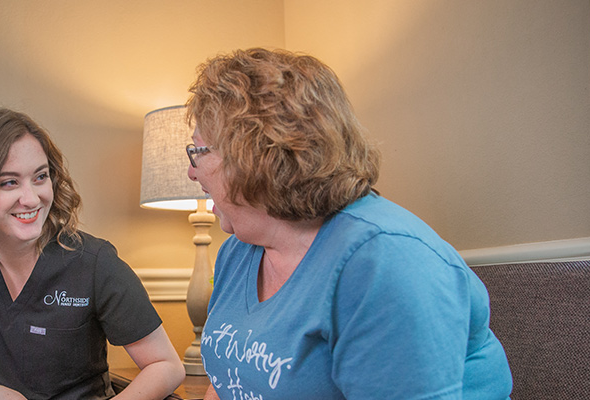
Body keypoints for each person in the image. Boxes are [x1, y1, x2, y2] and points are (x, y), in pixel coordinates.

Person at [185, 48, 512, 399]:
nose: (191, 171)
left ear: (254, 157)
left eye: (198, 152)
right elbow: (224, 386)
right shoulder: (238, 252)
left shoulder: (387, 261)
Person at [0, 108, 185, 400]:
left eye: (40, 177)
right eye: (9, 182)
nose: (32, 198)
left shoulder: (95, 262)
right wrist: (3, 396)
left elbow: (166, 366)